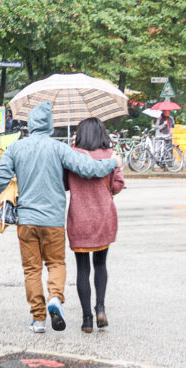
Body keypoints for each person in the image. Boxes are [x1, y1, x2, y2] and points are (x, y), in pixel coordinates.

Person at [0, 101, 122, 334]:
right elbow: (89, 169)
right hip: (52, 221)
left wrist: (17, 189)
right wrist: (113, 162)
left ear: (30, 124)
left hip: (26, 219)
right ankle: (55, 298)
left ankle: (39, 319)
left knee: (32, 269)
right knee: (55, 263)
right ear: (50, 125)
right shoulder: (59, 149)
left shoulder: (15, 148)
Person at [66, 117, 125, 333]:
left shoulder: (71, 155)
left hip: (78, 218)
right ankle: (100, 308)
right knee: (101, 264)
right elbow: (118, 185)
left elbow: (64, 183)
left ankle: (87, 319)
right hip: (104, 216)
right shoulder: (111, 156)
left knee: (82, 268)